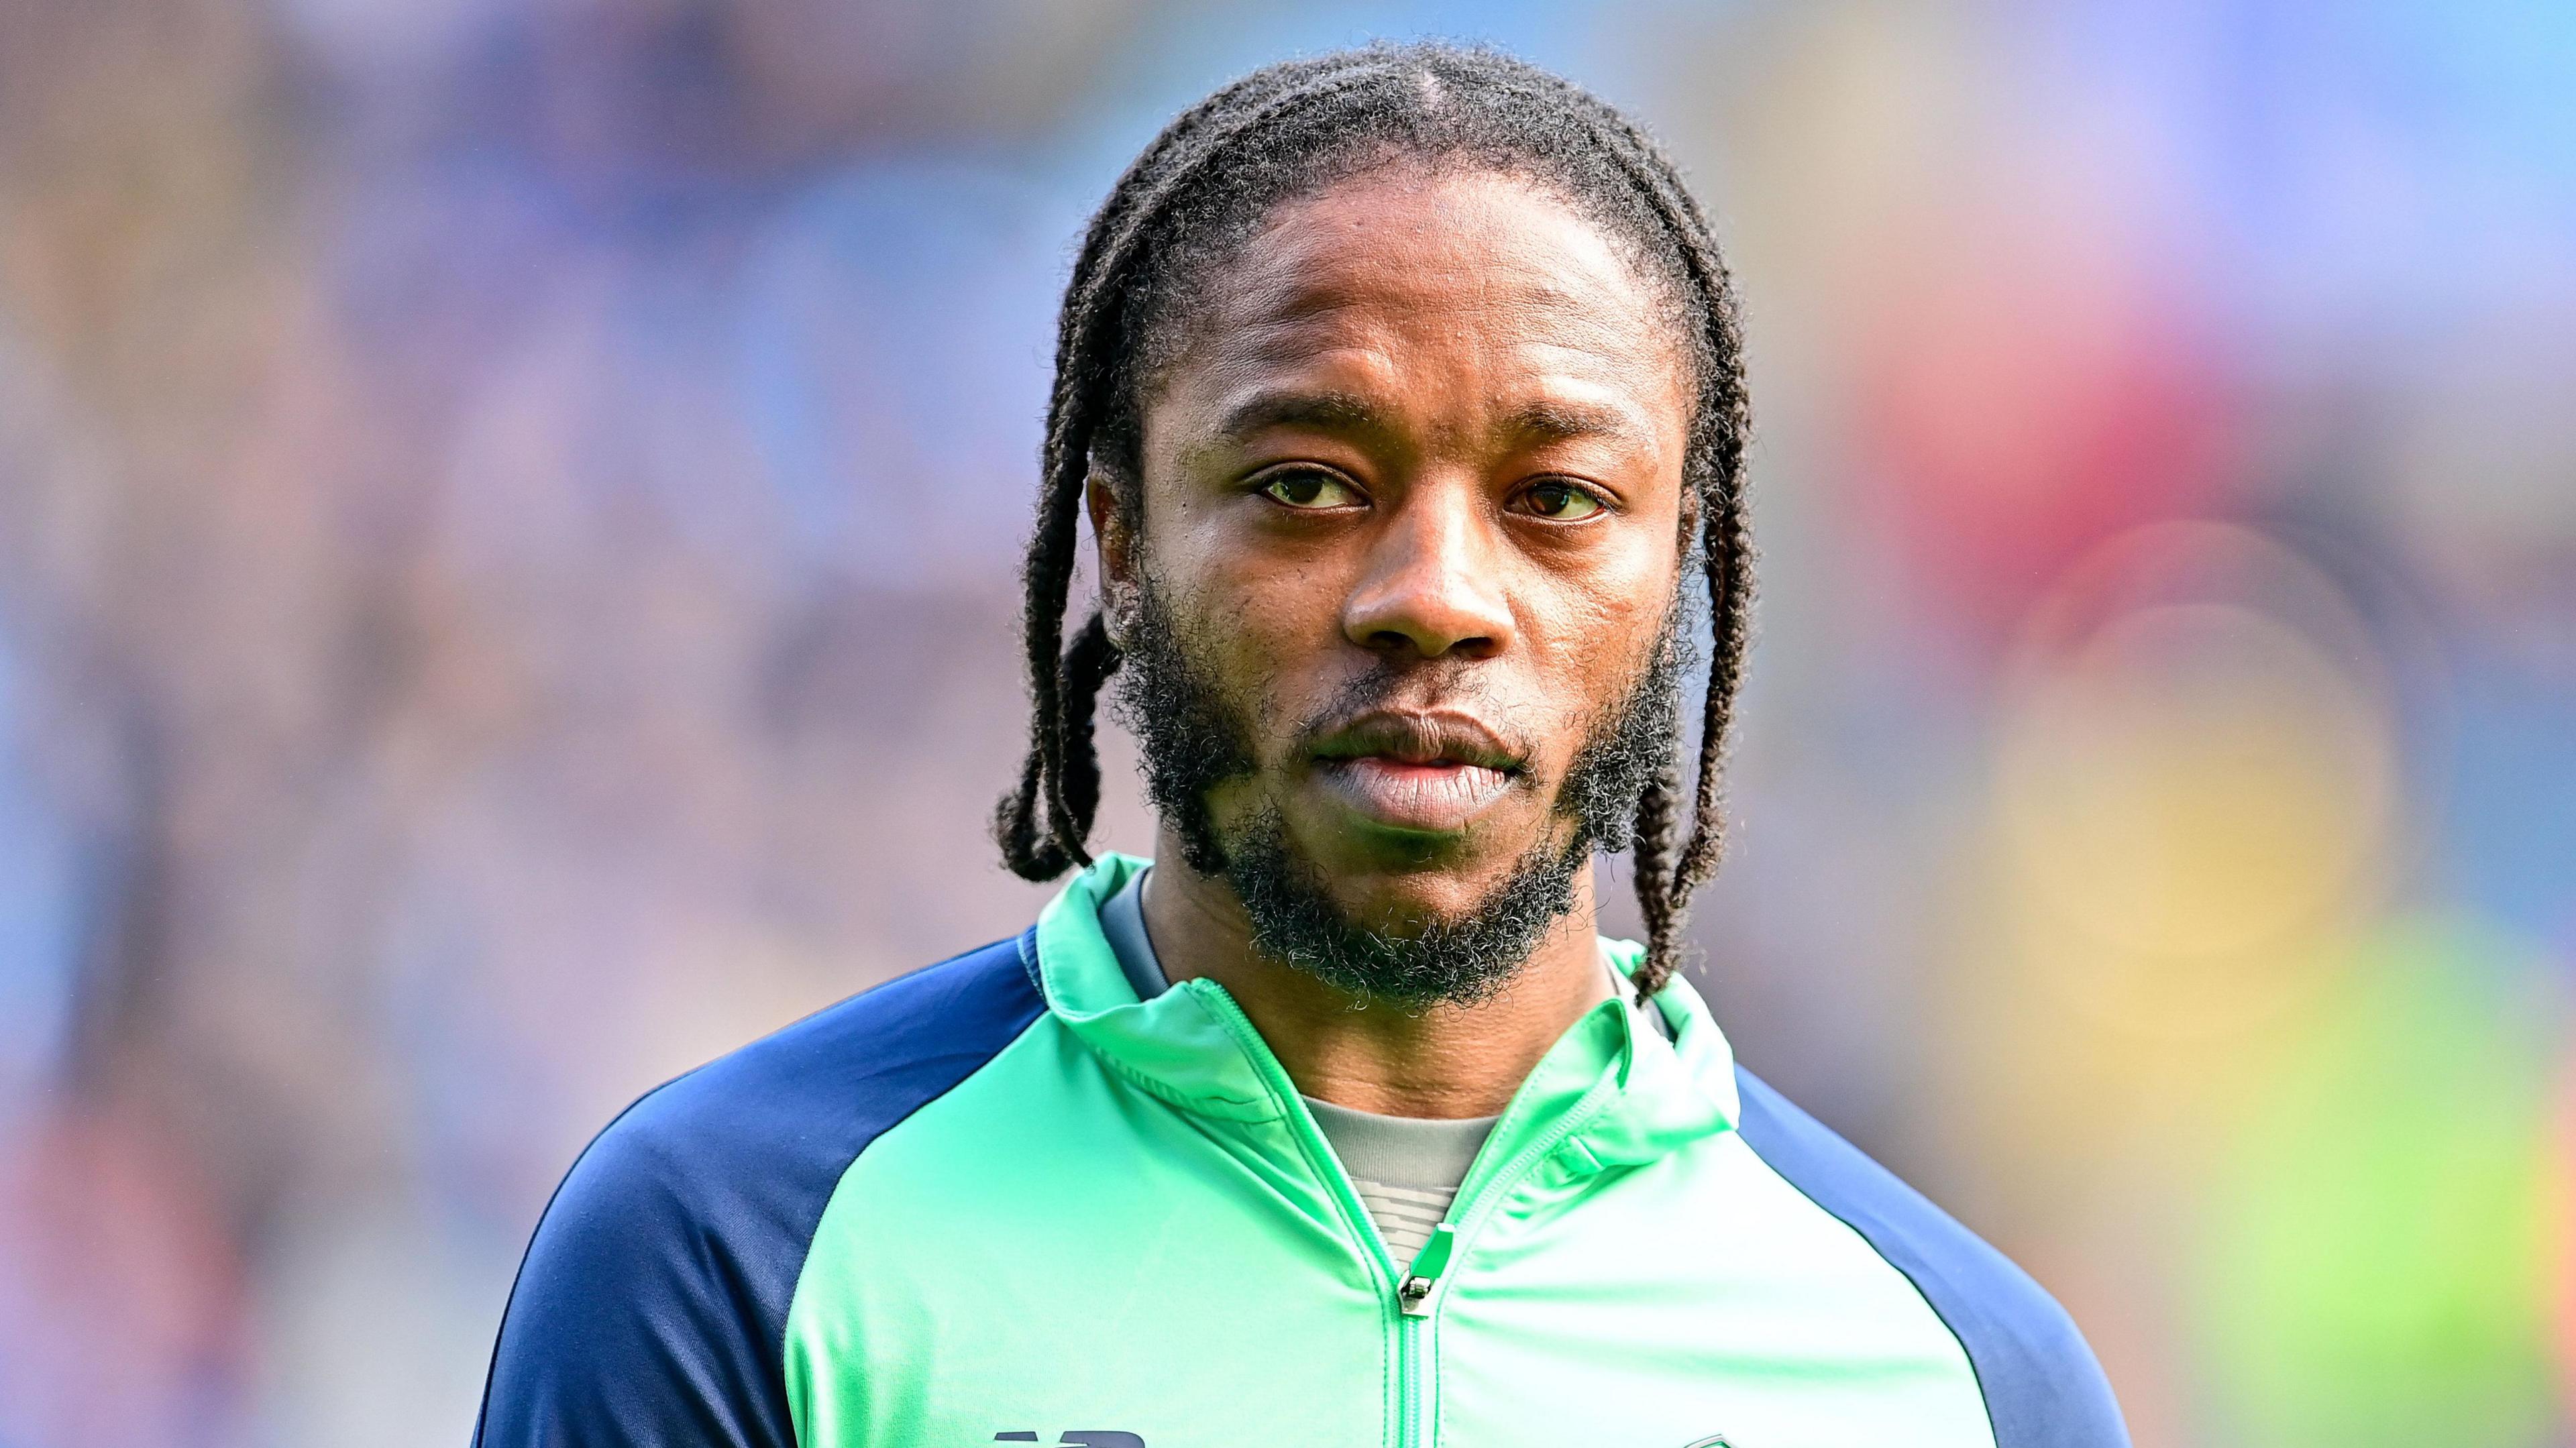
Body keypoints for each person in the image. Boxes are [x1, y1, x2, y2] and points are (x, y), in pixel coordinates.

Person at [473, 42, 2129, 1448]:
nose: (1436, 599)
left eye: (1557, 500)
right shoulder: (735, 1250)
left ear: (1679, 569)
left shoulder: (1957, 1379)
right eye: (1308, 486)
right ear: (1118, 541)